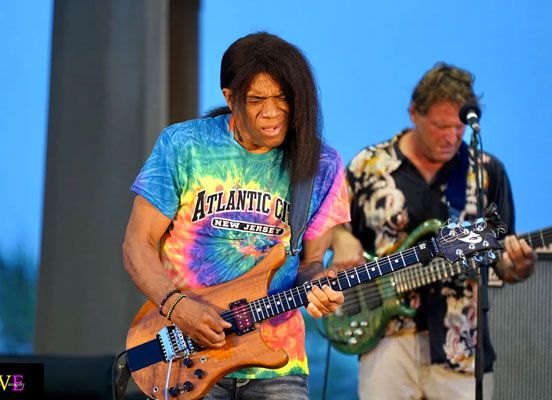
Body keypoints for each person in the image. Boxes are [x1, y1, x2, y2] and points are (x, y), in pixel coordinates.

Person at [122, 32, 351, 399]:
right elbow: (137, 244)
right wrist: (179, 308)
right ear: (230, 98)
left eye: (283, 98)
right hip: (185, 354)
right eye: (257, 100)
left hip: (278, 359)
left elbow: (309, 263)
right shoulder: (184, 145)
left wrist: (319, 284)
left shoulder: (321, 164)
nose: (272, 112)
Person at [331, 62, 537, 400]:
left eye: (458, 129)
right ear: (414, 113)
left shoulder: (486, 173)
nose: (451, 137)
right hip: (385, 341)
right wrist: (341, 237)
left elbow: (501, 257)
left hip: (462, 348)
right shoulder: (367, 166)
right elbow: (329, 225)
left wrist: (518, 267)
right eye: (441, 126)